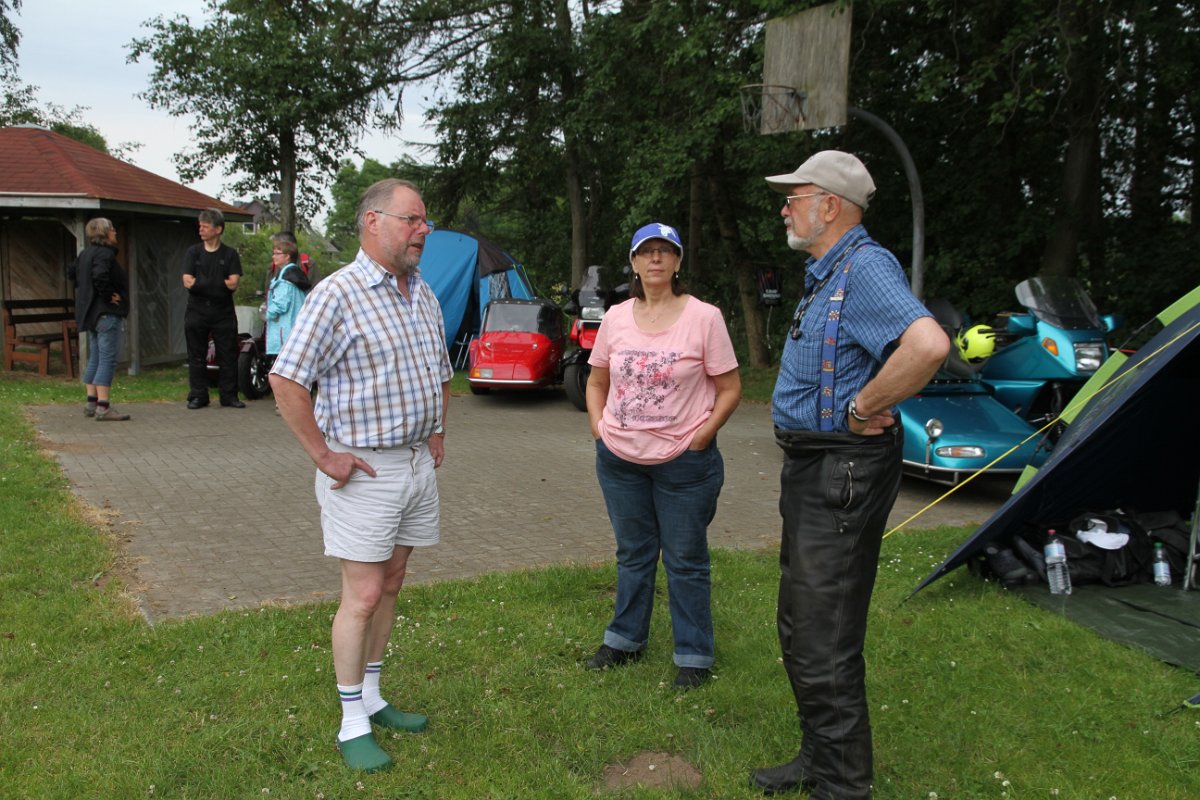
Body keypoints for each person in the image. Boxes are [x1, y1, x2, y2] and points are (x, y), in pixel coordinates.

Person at [750, 151, 949, 798]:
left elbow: (927, 345)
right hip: (818, 466)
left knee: (821, 632)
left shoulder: (865, 268)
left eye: (795, 196)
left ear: (829, 206)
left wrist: (865, 406)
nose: (785, 207)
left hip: (842, 468)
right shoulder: (826, 272)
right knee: (804, 622)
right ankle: (819, 757)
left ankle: (841, 786)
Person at [269, 178, 450, 774]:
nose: (423, 229)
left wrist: (437, 430)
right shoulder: (337, 293)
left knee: (393, 582)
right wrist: (324, 456)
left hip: (415, 462)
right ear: (373, 222)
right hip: (364, 468)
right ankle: (351, 721)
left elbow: (439, 368)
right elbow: (286, 378)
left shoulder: (420, 291)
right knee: (364, 593)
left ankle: (373, 695)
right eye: (412, 220)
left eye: (425, 221)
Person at [583, 222, 741, 690]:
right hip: (619, 459)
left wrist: (702, 436)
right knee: (633, 553)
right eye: (646, 251)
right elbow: (596, 381)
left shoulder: (704, 317)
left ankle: (693, 655)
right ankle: (625, 640)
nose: (655, 259)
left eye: (665, 251)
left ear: (677, 262)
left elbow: (730, 388)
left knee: (685, 559)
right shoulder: (614, 317)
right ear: (633, 263)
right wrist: (598, 428)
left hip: (684, 462)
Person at [68, 217, 130, 421]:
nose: (115, 232)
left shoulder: (84, 254)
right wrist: (108, 296)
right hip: (105, 313)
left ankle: (91, 402)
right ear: (105, 233)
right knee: (107, 358)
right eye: (112, 229)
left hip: (90, 313)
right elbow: (100, 276)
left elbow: (71, 273)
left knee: (95, 356)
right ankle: (104, 406)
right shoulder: (105, 254)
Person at [182, 208, 244, 409]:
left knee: (228, 353)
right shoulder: (193, 253)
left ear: (218, 229)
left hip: (223, 312)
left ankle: (229, 396)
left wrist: (201, 283)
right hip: (196, 311)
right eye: (200, 226)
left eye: (205, 226)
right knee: (196, 354)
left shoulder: (230, 254)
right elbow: (187, 281)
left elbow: (233, 283)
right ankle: (199, 395)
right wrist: (218, 283)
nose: (201, 230)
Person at [264, 236, 308, 359]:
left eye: (277, 253)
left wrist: (266, 314)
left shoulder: (285, 279)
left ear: (287, 256)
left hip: (283, 333)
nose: (274, 256)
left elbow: (281, 304)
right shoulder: (296, 274)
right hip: (295, 330)